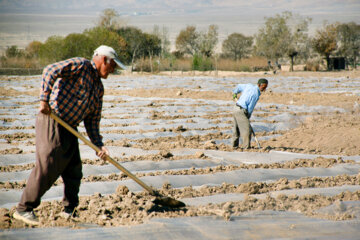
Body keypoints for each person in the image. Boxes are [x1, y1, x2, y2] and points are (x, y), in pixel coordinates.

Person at [13, 45, 126, 226]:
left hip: (70, 127)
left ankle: (69, 210)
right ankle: (24, 209)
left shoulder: (98, 89)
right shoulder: (80, 65)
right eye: (113, 65)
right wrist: (44, 99)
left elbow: (92, 121)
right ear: (104, 60)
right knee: (48, 164)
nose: (113, 70)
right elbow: (50, 70)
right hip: (53, 119)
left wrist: (99, 145)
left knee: (74, 170)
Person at [232, 78, 268, 149]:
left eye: (266, 87)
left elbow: (239, 86)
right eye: (263, 87)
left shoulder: (249, 86)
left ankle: (234, 146)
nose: (264, 89)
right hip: (241, 111)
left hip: (235, 108)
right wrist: (247, 116)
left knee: (236, 129)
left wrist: (235, 93)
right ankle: (246, 148)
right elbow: (250, 108)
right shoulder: (256, 94)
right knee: (247, 130)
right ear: (259, 85)